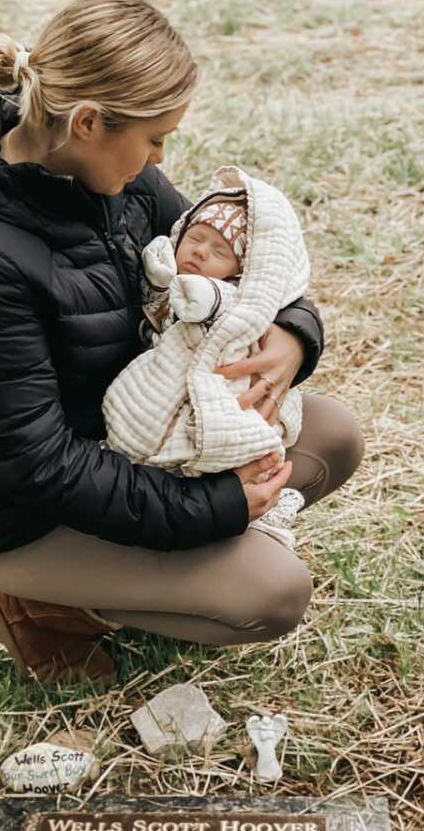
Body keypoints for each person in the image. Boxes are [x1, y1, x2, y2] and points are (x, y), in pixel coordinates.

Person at [0, 0, 364, 685]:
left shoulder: (111, 173)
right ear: (87, 121)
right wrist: (214, 506)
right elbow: (38, 466)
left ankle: (134, 573)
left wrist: (295, 334)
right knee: (271, 594)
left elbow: (246, 267)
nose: (160, 158)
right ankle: (40, 598)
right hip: (24, 511)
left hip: (138, 433)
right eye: (154, 138)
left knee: (332, 434)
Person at [102, 167, 313, 548]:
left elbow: (231, 298)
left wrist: (299, 334)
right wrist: (158, 273)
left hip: (218, 379)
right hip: (150, 400)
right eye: (195, 239)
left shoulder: (224, 294)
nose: (200, 252)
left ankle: (263, 500)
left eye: (220, 251)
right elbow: (157, 305)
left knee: (238, 438)